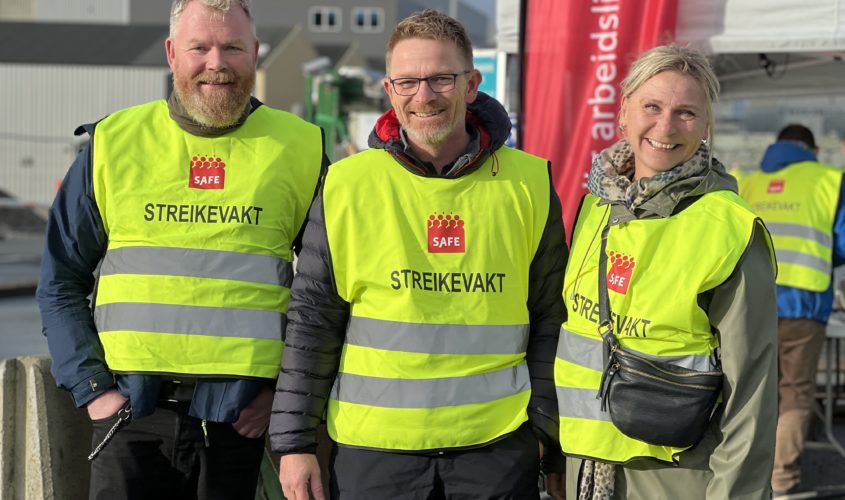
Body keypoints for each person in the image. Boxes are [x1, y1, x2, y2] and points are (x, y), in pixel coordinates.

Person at [269, 9, 567, 500]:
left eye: (441, 79)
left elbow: (551, 318)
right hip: (374, 454)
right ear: (389, 90)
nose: (423, 96)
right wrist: (294, 443)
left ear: (472, 85)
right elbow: (313, 320)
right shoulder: (347, 184)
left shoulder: (529, 183)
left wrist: (543, 435)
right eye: (407, 81)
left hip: (495, 451)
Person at [35, 1, 325, 498]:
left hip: (243, 421)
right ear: (172, 53)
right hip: (128, 417)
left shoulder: (298, 148)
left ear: (255, 53)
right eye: (200, 47)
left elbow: (324, 294)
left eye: (233, 47)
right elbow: (60, 280)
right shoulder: (114, 144)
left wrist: (282, 397)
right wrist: (93, 390)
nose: (217, 62)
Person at [554, 44, 778, 499]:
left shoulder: (730, 229)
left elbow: (752, 393)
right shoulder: (596, 205)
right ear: (623, 113)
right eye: (651, 106)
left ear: (707, 124)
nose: (665, 126)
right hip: (587, 471)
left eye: (686, 113)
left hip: (678, 478)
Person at [739, 124, 845, 496]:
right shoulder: (830, 180)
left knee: (752, 392)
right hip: (804, 303)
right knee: (796, 393)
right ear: (813, 148)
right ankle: (782, 484)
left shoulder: (747, 182)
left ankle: (748, 478)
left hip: (750, 304)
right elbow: (843, 242)